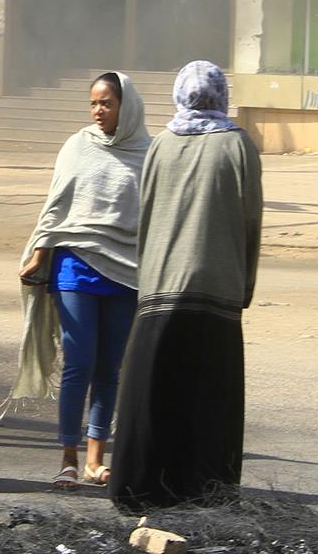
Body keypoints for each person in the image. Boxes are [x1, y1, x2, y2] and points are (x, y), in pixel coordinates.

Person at [109, 61, 262, 512]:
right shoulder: (238, 146)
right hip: (218, 290)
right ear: (220, 94)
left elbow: (148, 215)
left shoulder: (161, 145)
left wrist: (148, 275)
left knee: (154, 391)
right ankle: (206, 491)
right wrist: (244, 285)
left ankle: (139, 489)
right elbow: (250, 222)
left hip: (159, 288)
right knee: (208, 397)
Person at [8, 73, 148, 489]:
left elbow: (156, 214)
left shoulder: (149, 152)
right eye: (93, 104)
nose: (98, 111)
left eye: (106, 103)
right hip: (76, 263)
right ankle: (67, 457)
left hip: (127, 268)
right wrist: (39, 253)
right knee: (79, 362)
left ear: (127, 105)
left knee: (110, 368)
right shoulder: (77, 146)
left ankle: (94, 459)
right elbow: (57, 204)